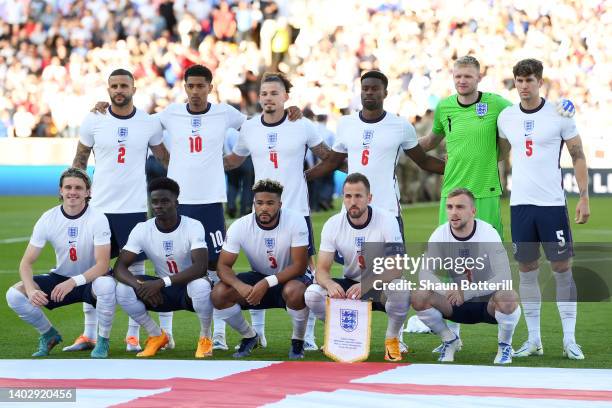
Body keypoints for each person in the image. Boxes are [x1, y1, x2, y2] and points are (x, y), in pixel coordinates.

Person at [92, 65, 302, 351]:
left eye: (201, 86)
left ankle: (218, 335)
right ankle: (165, 334)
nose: (195, 91)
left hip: (211, 202)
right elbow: (136, 122)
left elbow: (258, 124)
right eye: (190, 86)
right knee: (164, 261)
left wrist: (289, 113)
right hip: (178, 203)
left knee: (216, 267)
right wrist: (105, 108)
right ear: (185, 88)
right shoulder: (169, 114)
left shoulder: (225, 113)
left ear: (210, 88)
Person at [418, 56, 575, 352]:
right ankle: (452, 333)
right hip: (451, 194)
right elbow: (431, 140)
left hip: (486, 193)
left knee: (491, 262)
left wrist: (563, 105)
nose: (462, 80)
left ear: (479, 77)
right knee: (450, 260)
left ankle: (505, 333)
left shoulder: (498, 105)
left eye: (467, 76)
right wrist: (400, 142)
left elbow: (530, 111)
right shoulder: (445, 107)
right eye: (458, 75)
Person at [224, 72, 329, 351]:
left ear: (286, 97)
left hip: (297, 209)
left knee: (306, 273)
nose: (269, 98)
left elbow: (327, 155)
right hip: (262, 212)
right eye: (264, 93)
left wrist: (310, 174)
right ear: (259, 98)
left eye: (274, 93)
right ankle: (257, 334)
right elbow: (234, 160)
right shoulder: (249, 128)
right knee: (259, 267)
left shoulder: (302, 125)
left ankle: (306, 336)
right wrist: (199, 162)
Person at [71, 68, 173, 353]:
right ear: (108, 89)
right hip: (99, 209)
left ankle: (133, 335)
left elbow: (165, 159)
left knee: (134, 273)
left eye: (124, 85)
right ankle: (89, 334)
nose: (119, 90)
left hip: (133, 210)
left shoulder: (149, 123)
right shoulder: (94, 118)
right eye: (114, 85)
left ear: (134, 89)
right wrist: (77, 196)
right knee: (94, 272)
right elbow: (79, 160)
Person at [497, 59, 589, 360]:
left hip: (551, 205)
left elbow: (577, 155)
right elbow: (499, 154)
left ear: (540, 82)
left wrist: (584, 197)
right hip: (520, 205)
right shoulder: (506, 117)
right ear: (515, 83)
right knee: (526, 270)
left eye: (530, 80)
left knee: (562, 269)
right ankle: (534, 339)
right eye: (519, 81)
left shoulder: (559, 113)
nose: (524, 86)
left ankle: (569, 339)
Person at [306, 70, 445, 234]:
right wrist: (301, 177)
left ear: (385, 93)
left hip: (388, 209)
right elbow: (331, 162)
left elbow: (423, 161)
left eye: (374, 89)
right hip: (353, 209)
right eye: (365, 89)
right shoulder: (346, 123)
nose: (369, 92)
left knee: (390, 260)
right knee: (355, 260)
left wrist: (456, 167)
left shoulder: (401, 126)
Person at [5, 168, 116, 358]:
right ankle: (48, 334)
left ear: (88, 192)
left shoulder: (98, 218)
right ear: (61, 191)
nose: (73, 192)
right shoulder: (48, 218)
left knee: (106, 284)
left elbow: (102, 265)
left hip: (92, 280)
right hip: (60, 277)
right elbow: (26, 263)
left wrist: (73, 281)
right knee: (14, 294)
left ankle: (103, 340)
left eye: (78, 188)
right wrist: (31, 289)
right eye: (68, 187)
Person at [304, 173, 410, 361]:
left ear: (369, 198)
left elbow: (397, 266)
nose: (353, 201)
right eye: (348, 196)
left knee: (401, 288)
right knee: (312, 293)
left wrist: (367, 285)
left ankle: (392, 339)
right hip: (350, 285)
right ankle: (338, 335)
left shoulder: (387, 220)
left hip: (378, 284)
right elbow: (321, 270)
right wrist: (329, 284)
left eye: (358, 196)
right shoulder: (333, 224)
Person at [411, 188, 521, 364]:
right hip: (454, 303)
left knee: (508, 296)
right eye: (450, 207)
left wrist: (469, 292)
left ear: (473, 211)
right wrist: (445, 289)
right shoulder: (440, 234)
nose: (453, 212)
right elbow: (424, 273)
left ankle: (505, 346)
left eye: (460, 207)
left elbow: (504, 276)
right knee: (418, 296)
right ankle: (450, 340)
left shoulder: (487, 233)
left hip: (487, 304)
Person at [211, 179, 312, 359]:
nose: (264, 208)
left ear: (280, 204)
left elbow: (299, 266)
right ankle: (250, 336)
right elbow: (223, 266)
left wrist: (267, 282)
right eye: (259, 203)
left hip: (290, 278)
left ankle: (298, 340)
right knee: (219, 294)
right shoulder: (240, 226)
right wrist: (239, 285)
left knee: (295, 291)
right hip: (259, 276)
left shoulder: (295, 220)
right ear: (254, 204)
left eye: (270, 203)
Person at [114, 177, 213, 358]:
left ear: (176, 203)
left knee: (201, 285)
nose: (158, 206)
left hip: (189, 290)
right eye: (154, 202)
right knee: (123, 289)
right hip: (161, 293)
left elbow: (200, 267)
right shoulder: (142, 229)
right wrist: (140, 287)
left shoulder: (193, 226)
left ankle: (205, 337)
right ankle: (157, 335)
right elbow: (119, 267)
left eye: (165, 201)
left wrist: (161, 283)